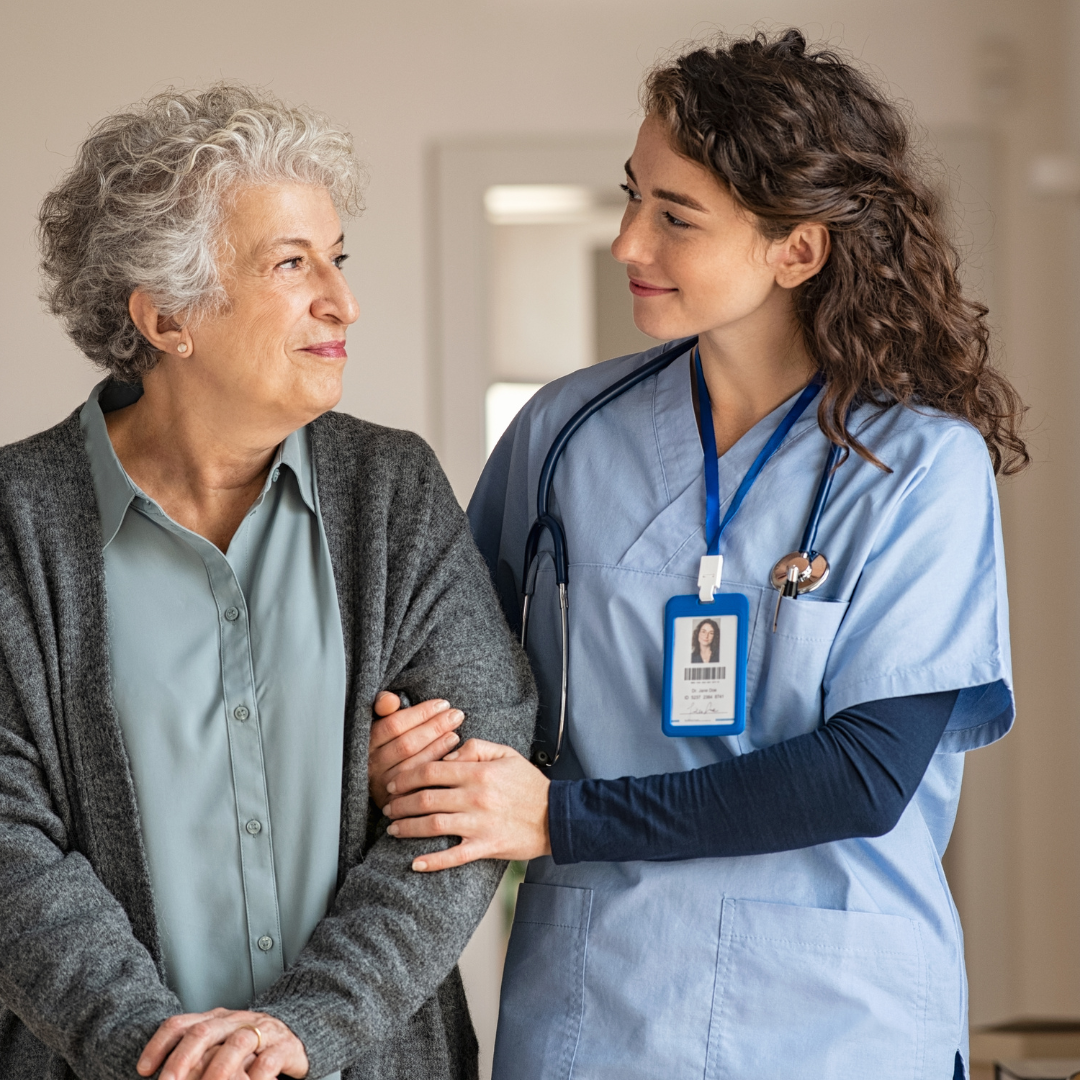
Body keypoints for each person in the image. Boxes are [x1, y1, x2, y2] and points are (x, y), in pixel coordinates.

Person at [372, 30, 1024, 1080]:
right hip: (600, 1013)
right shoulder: (562, 435)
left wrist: (560, 818)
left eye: (676, 218)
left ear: (796, 251)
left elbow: (864, 775)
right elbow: (453, 674)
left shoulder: (919, 468)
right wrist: (412, 750)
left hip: (839, 1026)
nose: (629, 243)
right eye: (633, 197)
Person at [0, 84, 535, 1080]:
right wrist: (160, 1052)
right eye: (292, 265)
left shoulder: (392, 490)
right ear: (165, 315)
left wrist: (309, 1025)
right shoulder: (15, 523)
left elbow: (475, 777)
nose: (342, 301)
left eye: (337, 258)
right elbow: (9, 847)